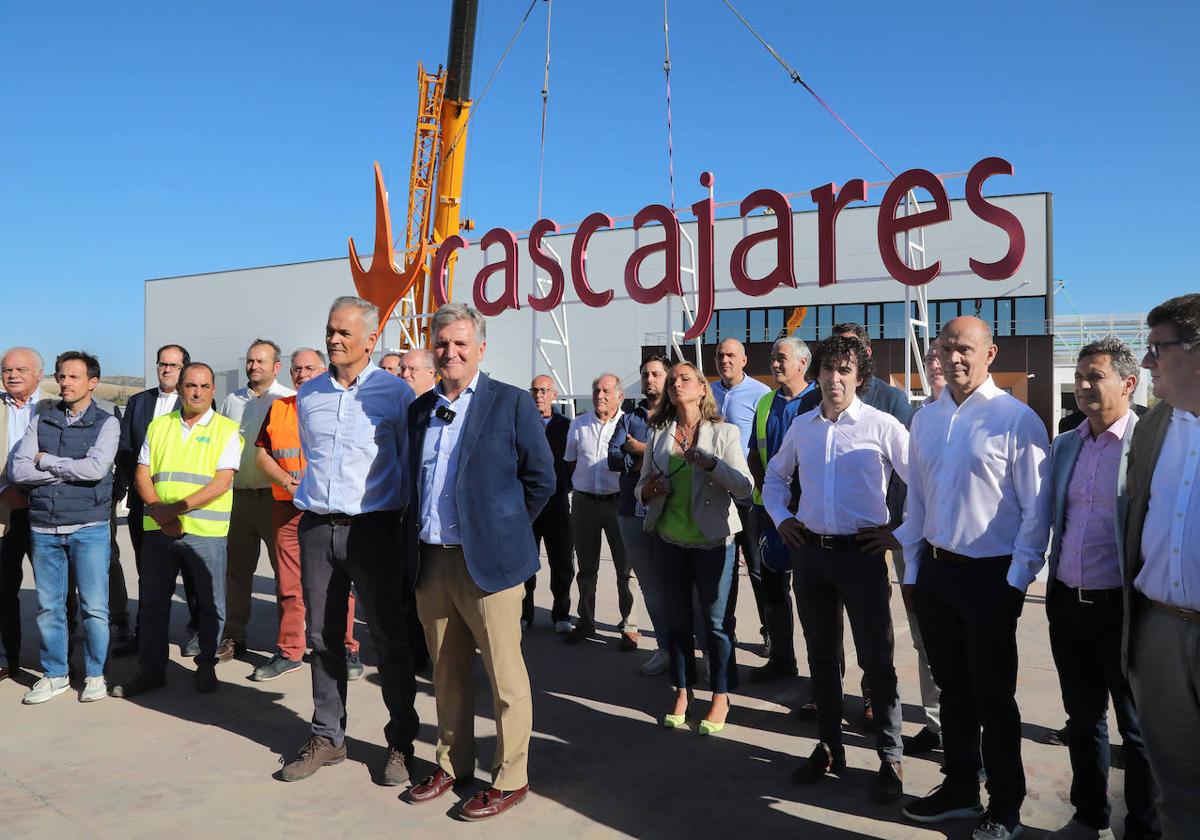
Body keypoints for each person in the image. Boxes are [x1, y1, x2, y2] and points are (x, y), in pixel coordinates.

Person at [899, 316, 1051, 840]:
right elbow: (917, 501)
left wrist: (1016, 580)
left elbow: (1037, 511)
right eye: (946, 348)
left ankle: (1005, 804)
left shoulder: (1017, 419)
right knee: (952, 691)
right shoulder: (926, 420)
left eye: (965, 348)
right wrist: (913, 570)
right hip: (938, 575)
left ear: (991, 353)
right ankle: (961, 787)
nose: (954, 358)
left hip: (992, 580)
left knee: (994, 698)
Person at [404, 303, 554, 820]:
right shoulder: (419, 409)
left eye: (461, 343)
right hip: (432, 561)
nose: (451, 352)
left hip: (489, 566)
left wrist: (503, 532)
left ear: (481, 349)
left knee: (505, 678)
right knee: (446, 673)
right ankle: (453, 763)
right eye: (442, 343)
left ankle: (511, 777)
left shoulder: (510, 404)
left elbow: (542, 481)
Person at [278, 297, 418, 787]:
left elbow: (406, 463)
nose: (333, 339)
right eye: (329, 330)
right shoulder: (310, 394)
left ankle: (401, 741)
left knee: (388, 639)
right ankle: (328, 736)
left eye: (343, 332)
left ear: (370, 340)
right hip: (316, 528)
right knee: (322, 637)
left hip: (374, 531)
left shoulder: (394, 394)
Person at [763, 335, 909, 801]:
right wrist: (782, 518)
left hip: (863, 557)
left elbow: (923, 484)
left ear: (860, 378)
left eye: (845, 370)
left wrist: (900, 534)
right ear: (817, 374)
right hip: (811, 556)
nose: (834, 378)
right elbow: (774, 477)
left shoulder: (883, 426)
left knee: (877, 659)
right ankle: (829, 746)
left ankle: (890, 756)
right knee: (822, 658)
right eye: (828, 369)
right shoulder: (803, 427)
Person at [1046, 338, 1159, 840]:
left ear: (1129, 384)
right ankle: (1090, 814)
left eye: (1096, 376)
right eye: (1081, 377)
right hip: (1069, 602)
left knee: (1136, 730)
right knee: (1083, 717)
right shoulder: (1067, 443)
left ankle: (1143, 825)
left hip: (1126, 610)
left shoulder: (1149, 446)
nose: (1084, 386)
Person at [112, 362, 244, 697]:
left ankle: (206, 666)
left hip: (205, 532)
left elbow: (222, 481)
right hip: (159, 530)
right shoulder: (159, 426)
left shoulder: (227, 429)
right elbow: (142, 472)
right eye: (190, 386)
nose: (196, 392)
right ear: (180, 389)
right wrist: (160, 511)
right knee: (153, 603)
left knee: (211, 605)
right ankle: (151, 669)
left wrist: (174, 510)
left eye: (203, 386)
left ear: (213, 390)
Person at [636, 361, 752, 735]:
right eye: (672, 381)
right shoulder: (658, 434)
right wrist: (649, 490)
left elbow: (745, 487)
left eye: (684, 378)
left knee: (716, 625)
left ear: (703, 388)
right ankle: (683, 692)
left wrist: (711, 463)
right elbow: (641, 489)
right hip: (670, 539)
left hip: (713, 542)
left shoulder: (725, 433)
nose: (676, 384)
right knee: (678, 621)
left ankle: (720, 694)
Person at [1123, 293, 1200, 839]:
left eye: (1156, 349)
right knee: (1174, 786)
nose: (1146, 362)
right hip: (1162, 630)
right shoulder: (1152, 428)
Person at [8, 351, 118, 704]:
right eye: (61, 376)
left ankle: (95, 674)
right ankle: (55, 674)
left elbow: (96, 470)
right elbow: (19, 470)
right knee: (49, 607)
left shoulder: (107, 421)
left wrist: (48, 461)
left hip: (89, 527)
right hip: (44, 527)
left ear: (92, 382)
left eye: (73, 377)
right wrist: (65, 471)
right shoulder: (42, 418)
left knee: (95, 608)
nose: (65, 383)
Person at [250, 348, 363, 682]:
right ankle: (290, 650)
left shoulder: (340, 405)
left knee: (337, 585)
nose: (302, 374)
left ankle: (346, 647)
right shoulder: (279, 408)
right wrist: (286, 481)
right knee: (288, 585)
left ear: (323, 370)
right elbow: (262, 456)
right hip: (288, 508)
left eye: (309, 368)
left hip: (329, 510)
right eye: (297, 369)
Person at [832, 322, 914, 731]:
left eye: (852, 349)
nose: (843, 360)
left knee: (874, 629)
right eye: (839, 349)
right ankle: (827, 692)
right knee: (828, 628)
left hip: (879, 533)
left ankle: (872, 696)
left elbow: (906, 473)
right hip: (831, 535)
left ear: (866, 356)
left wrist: (895, 529)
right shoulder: (820, 398)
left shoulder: (892, 400)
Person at [115, 343, 202, 658]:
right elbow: (125, 448)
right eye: (162, 364)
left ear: (184, 369)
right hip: (146, 503)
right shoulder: (139, 402)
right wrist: (141, 488)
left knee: (192, 570)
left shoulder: (197, 400)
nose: (166, 369)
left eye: (173, 365)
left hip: (185, 503)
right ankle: (147, 633)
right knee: (148, 571)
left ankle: (197, 631)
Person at [747, 336, 819, 682]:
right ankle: (781, 659)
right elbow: (753, 454)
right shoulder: (764, 403)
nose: (775, 363)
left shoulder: (819, 400)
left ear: (803, 364)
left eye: (782, 358)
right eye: (773, 357)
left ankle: (818, 678)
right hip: (770, 512)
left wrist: (795, 501)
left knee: (811, 595)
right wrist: (771, 496)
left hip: (807, 514)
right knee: (773, 587)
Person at [218, 338, 295, 661]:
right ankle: (234, 636)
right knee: (237, 572)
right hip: (238, 498)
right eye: (250, 361)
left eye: (261, 361)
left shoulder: (288, 399)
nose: (254, 366)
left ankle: (288, 642)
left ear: (276, 366)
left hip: (275, 500)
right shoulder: (231, 401)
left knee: (285, 574)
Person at [608, 355, 673, 675]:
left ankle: (691, 650)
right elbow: (612, 457)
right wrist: (640, 457)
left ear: (668, 377)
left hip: (671, 511)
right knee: (649, 584)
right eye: (645, 374)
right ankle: (665, 648)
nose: (650, 379)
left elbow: (677, 459)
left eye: (656, 374)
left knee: (678, 585)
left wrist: (639, 450)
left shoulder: (678, 416)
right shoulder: (628, 418)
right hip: (630, 512)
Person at [564, 373, 637, 648]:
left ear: (620, 395)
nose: (600, 395)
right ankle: (586, 620)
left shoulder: (629, 425)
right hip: (584, 503)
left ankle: (629, 624)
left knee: (626, 568)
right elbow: (571, 462)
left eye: (606, 390)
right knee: (586, 568)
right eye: (596, 390)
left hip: (619, 503)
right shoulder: (579, 424)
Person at [709, 338, 771, 652]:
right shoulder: (708, 392)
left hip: (750, 496)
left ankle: (769, 632)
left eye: (731, 355)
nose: (725, 360)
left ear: (744, 360)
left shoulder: (761, 394)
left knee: (758, 569)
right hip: (719, 494)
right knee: (725, 569)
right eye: (720, 355)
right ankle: (725, 633)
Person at [901, 340, 946, 756]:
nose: (936, 363)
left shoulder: (1001, 417)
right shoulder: (920, 421)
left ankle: (974, 735)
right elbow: (913, 498)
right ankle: (935, 724)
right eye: (931, 357)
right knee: (924, 644)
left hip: (975, 565)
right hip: (923, 554)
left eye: (943, 355)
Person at [0, 346, 54, 680]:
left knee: (55, 591)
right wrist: (4, 490)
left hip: (47, 509)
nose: (12, 375)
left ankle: (58, 661)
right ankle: (6, 656)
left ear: (38, 374)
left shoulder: (54, 406)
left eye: (20, 369)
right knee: (3, 587)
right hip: (4, 510)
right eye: (6, 369)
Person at [523, 374, 574, 632]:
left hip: (557, 503)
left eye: (544, 390)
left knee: (562, 560)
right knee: (525, 561)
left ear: (554, 395)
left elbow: (575, 461)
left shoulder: (566, 426)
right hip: (527, 505)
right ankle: (525, 613)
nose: (539, 395)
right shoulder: (520, 424)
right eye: (535, 390)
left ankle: (561, 614)